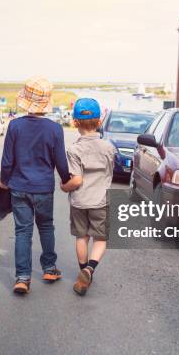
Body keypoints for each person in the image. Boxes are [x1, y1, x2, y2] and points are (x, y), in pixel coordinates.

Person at [0, 76, 70, 295]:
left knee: (23, 231)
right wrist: (67, 179)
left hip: (19, 187)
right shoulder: (55, 129)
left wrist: (4, 181)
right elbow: (61, 162)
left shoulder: (15, 126)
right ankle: (49, 268)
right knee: (46, 227)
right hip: (44, 188)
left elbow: (7, 160)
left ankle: (22, 278)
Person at [61, 98, 115, 296]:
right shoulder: (109, 147)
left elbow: (76, 181)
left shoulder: (74, 150)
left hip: (79, 202)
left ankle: (82, 270)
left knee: (81, 237)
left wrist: (64, 187)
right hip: (101, 200)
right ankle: (90, 269)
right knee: (100, 239)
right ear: (99, 121)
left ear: (75, 122)